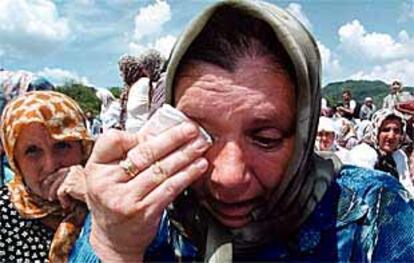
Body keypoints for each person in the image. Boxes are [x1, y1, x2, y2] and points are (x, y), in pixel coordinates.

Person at [70, 1, 414, 261]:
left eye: (265, 139)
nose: (228, 177)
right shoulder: (135, 213)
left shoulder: (368, 215)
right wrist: (113, 244)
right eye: (199, 134)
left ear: (304, 130)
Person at [0, 91, 93, 262]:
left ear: (83, 148)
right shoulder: (4, 216)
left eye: (62, 145)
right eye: (32, 151)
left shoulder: (110, 197)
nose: (50, 165)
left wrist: (95, 198)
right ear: (16, 162)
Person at [347, 109, 414, 195]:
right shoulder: (363, 153)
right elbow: (362, 190)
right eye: (386, 130)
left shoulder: (399, 156)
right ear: (376, 132)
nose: (391, 136)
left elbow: (406, 186)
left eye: (396, 131)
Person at [118, 50, 165, 132]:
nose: (121, 75)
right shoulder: (130, 88)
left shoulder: (145, 83)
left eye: (122, 71)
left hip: (144, 132)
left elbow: (156, 105)